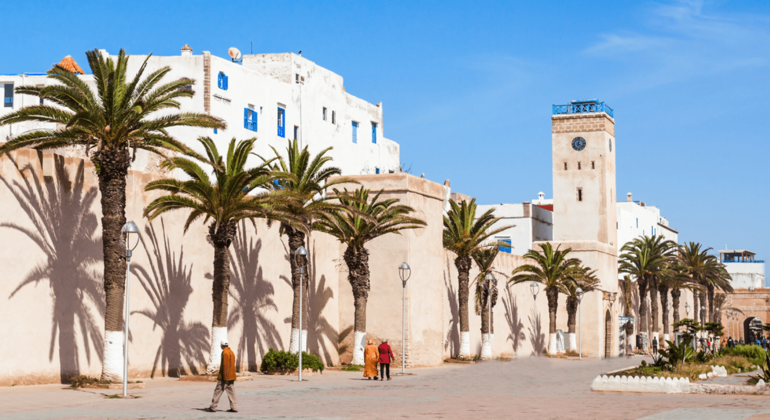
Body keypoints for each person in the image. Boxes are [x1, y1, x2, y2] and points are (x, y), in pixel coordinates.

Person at [205, 340, 238, 413]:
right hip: (231, 376)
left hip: (225, 377)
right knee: (232, 393)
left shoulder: (224, 352)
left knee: (217, 392)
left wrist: (225, 378)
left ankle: (213, 407)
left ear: (222, 345)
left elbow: (225, 366)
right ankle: (234, 407)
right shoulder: (231, 352)